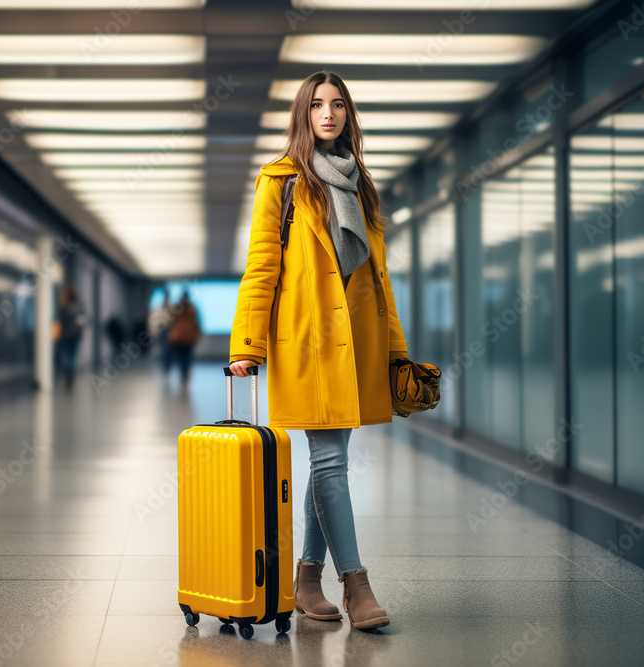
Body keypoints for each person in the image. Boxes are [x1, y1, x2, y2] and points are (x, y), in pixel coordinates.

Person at [227, 71, 409, 631]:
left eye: (337, 105)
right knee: (330, 462)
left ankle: (306, 580)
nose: (327, 114)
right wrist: (247, 343)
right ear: (302, 115)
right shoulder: (280, 181)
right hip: (306, 341)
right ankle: (357, 586)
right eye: (316, 105)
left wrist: (396, 352)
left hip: (357, 344)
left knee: (327, 462)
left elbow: (379, 278)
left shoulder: (361, 184)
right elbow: (262, 266)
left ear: (349, 116)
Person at [166, 291, 201, 392]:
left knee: (180, 358)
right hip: (189, 337)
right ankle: (185, 375)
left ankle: (183, 375)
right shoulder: (193, 309)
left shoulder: (177, 308)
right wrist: (197, 334)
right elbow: (197, 323)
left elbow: (170, 322)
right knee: (187, 358)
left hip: (177, 337)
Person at [57, 285, 87, 391]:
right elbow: (83, 320)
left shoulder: (64, 306)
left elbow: (61, 322)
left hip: (66, 335)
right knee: (72, 357)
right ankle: (70, 378)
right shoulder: (79, 307)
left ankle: (67, 377)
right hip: (76, 335)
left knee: (66, 357)